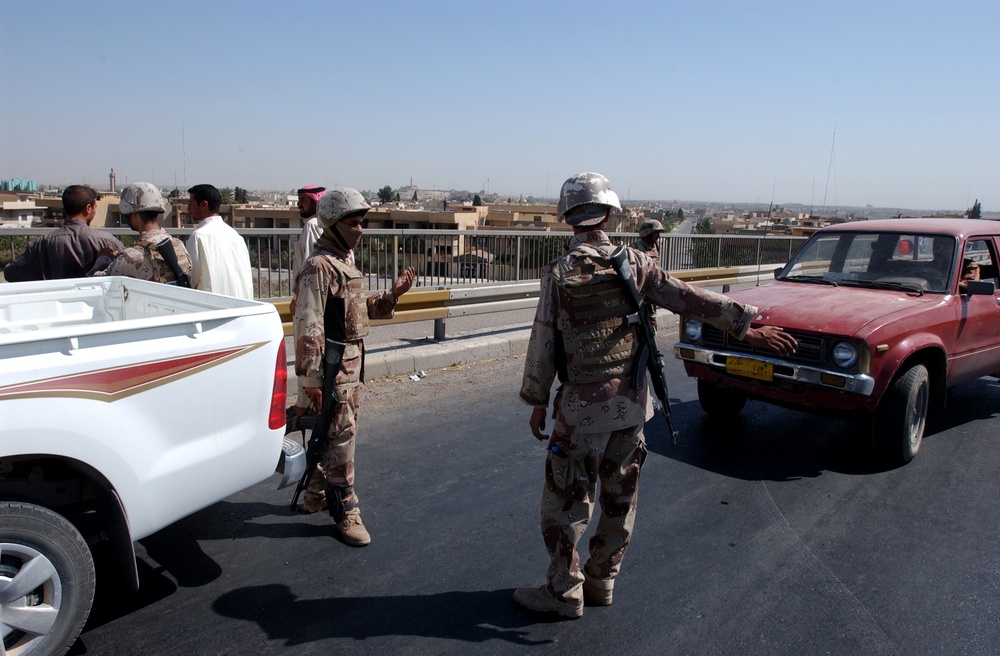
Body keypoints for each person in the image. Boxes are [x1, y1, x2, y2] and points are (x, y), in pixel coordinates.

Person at [514, 172, 797, 619]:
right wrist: (747, 327)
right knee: (619, 495)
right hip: (630, 407)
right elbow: (688, 298)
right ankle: (602, 579)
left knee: (567, 500)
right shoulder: (635, 264)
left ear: (568, 218)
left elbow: (543, 341)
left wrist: (535, 401)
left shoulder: (558, 273)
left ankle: (564, 591)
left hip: (578, 412)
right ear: (609, 213)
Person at [292, 187, 416, 545]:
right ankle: (346, 509)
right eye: (353, 221)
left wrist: (393, 296)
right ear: (331, 222)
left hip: (349, 367)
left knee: (334, 432)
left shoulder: (343, 263)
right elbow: (308, 325)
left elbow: (360, 315)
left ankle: (315, 493)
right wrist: (313, 378)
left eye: (363, 221)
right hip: (332, 370)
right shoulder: (318, 267)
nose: (360, 227)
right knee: (342, 438)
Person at [3, 185, 124, 282]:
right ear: (88, 208)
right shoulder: (106, 242)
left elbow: (10, 273)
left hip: (54, 308)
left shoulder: (41, 244)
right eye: (95, 207)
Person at [89, 182, 192, 283]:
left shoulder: (132, 256)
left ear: (134, 214)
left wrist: (104, 259)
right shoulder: (179, 245)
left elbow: (97, 283)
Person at [186, 184, 254, 299]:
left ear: (204, 205)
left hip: (213, 309)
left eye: (190, 204)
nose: (188, 208)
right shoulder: (236, 236)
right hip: (242, 308)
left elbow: (191, 280)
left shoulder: (198, 236)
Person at [631, 219, 668, 329]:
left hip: (651, 294)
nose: (658, 235)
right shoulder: (635, 249)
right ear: (647, 233)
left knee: (652, 326)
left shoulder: (654, 248)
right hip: (640, 295)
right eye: (656, 232)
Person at [295, 185, 326, 276]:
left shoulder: (311, 225)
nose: (298, 204)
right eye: (299, 199)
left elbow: (312, 262)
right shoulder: (324, 223)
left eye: (303, 199)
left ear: (315, 202)